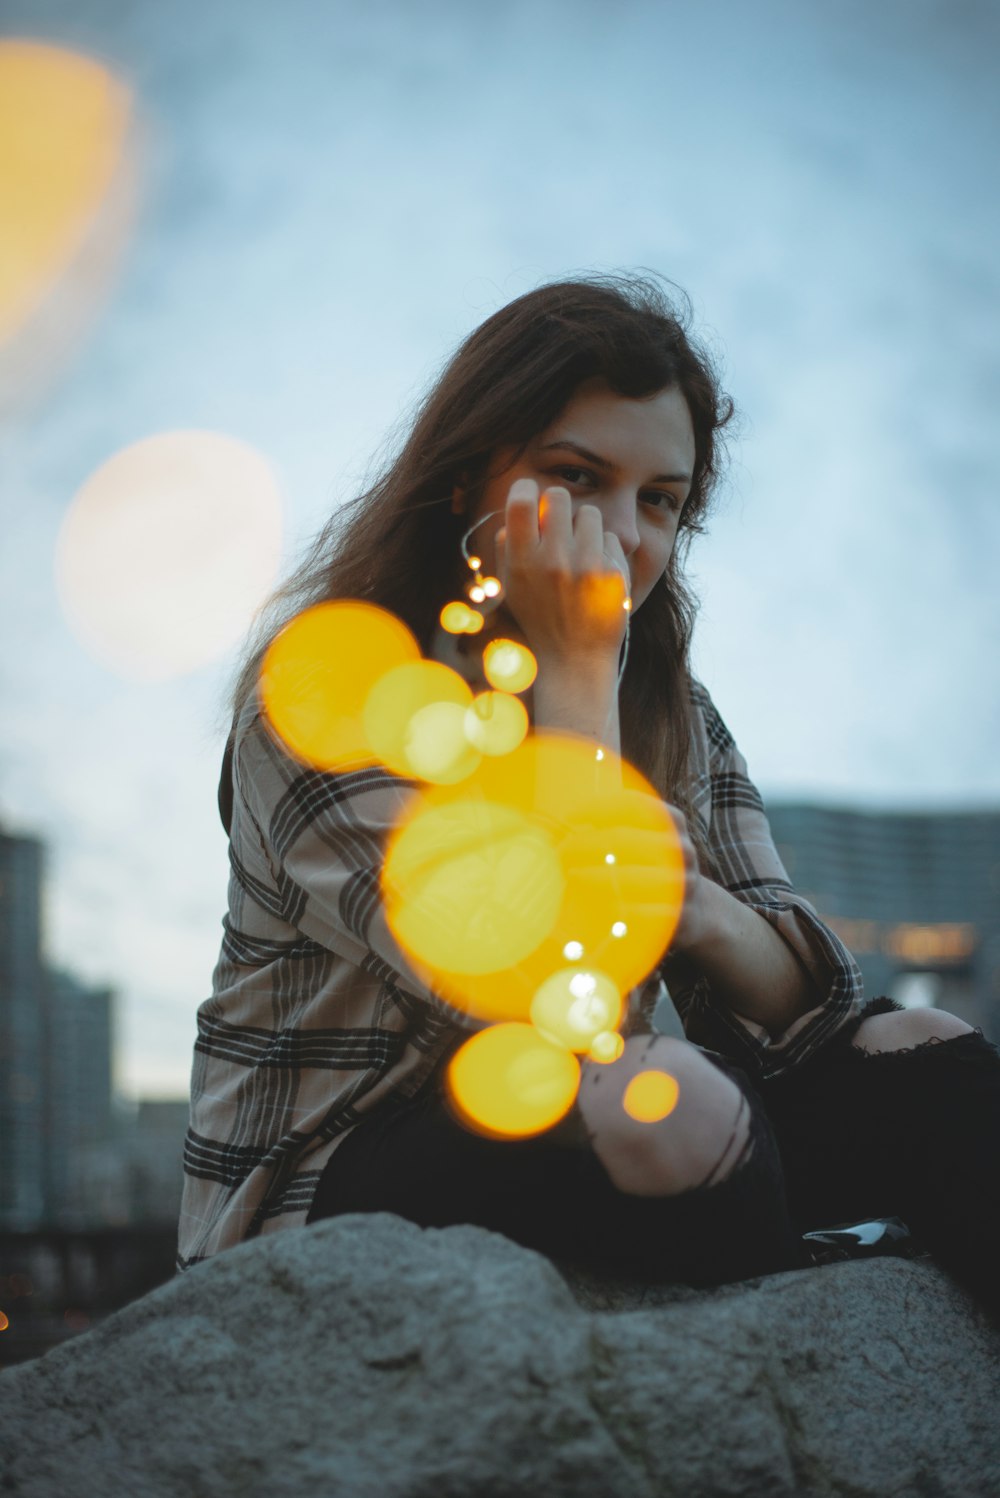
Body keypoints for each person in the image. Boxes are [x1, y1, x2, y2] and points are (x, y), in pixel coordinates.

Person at [178, 274, 999, 1319]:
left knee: (915, 1049)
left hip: (584, 1119)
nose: (622, 533)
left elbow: (811, 1018)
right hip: (336, 1173)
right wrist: (571, 674)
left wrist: (699, 910)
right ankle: (778, 1295)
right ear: (469, 475)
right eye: (577, 477)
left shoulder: (671, 708)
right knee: (674, 1103)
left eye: (659, 500)